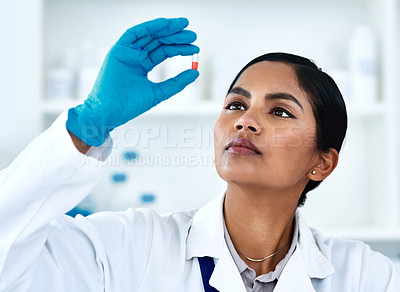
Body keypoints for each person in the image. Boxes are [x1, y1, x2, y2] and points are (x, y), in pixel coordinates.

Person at [0, 17, 398, 292]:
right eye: (236, 105)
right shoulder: (127, 246)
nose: (246, 122)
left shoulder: (365, 276)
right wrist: (89, 120)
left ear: (322, 162)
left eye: (279, 111)